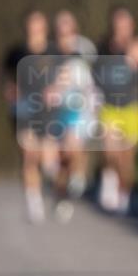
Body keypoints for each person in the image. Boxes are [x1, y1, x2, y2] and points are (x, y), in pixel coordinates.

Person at [94, 7, 138, 215]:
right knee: (110, 150)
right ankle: (109, 180)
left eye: (125, 24)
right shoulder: (102, 47)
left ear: (132, 26)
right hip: (109, 107)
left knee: (126, 159)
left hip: (132, 108)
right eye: (117, 24)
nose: (121, 28)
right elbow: (94, 75)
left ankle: (124, 194)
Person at [1, 10, 57, 223]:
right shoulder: (16, 52)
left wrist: (56, 89)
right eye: (30, 25)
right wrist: (9, 89)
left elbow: (66, 76)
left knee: (45, 159)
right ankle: (33, 202)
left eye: (38, 25)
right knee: (28, 155)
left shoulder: (54, 51)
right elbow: (4, 76)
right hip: (23, 108)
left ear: (44, 27)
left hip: (48, 111)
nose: (34, 30)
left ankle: (51, 180)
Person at [44, 17, 98, 221]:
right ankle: (62, 196)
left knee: (71, 147)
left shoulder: (83, 53)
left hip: (80, 112)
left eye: (67, 33)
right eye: (59, 32)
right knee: (55, 163)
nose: (63, 37)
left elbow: (84, 84)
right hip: (57, 114)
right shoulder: (49, 55)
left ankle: (78, 176)